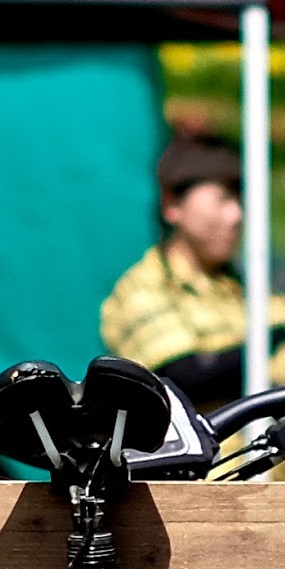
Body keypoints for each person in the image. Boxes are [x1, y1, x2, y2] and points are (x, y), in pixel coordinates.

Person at [95, 143, 259, 397]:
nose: (236, 215)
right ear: (172, 206)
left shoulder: (253, 283)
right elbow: (182, 377)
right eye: (223, 199)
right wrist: (278, 337)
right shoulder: (139, 290)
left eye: (239, 200)